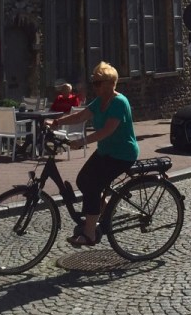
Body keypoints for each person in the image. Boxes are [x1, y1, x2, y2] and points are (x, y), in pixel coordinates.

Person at [50, 61, 139, 247]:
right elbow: (81, 116)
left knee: (92, 185)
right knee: (83, 180)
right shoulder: (100, 101)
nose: (94, 86)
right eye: (94, 83)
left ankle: (89, 234)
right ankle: (104, 210)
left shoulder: (119, 102)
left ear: (109, 83)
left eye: (97, 83)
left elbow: (107, 130)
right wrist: (58, 122)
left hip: (122, 154)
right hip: (106, 151)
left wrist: (82, 142)